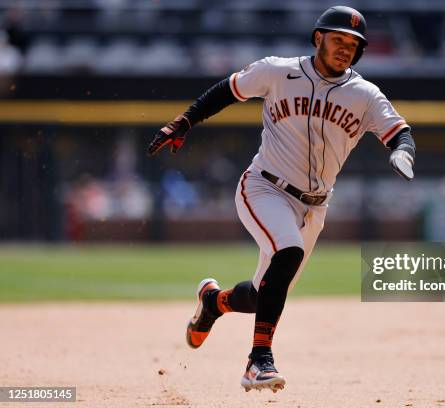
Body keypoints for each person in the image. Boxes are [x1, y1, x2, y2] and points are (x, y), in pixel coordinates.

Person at [148, 5, 415, 393]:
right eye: (338, 39)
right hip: (264, 187)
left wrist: (401, 152)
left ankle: (213, 301)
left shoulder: (365, 95)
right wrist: (184, 121)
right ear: (318, 38)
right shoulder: (278, 70)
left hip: (315, 206)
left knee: (264, 295)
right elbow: (228, 89)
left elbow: (399, 132)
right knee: (286, 253)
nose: (345, 49)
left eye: (353, 45)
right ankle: (259, 361)